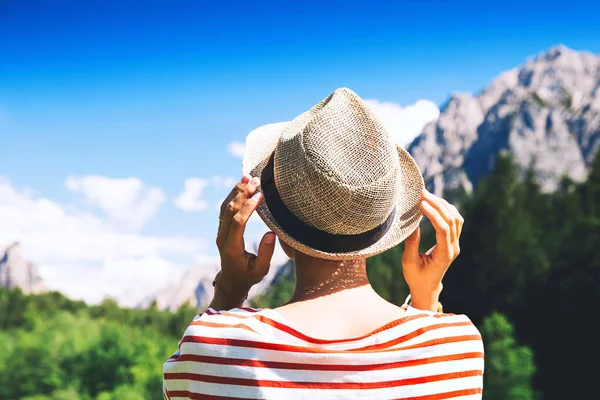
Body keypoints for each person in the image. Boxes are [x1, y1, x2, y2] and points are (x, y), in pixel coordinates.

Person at [163, 88, 484, 399]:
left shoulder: (214, 348)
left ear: (280, 233)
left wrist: (230, 289)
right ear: (384, 228)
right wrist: (425, 297)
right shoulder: (456, 348)